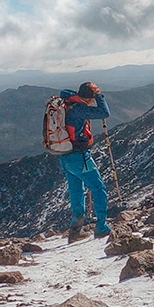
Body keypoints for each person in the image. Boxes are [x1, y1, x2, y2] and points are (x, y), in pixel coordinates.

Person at [58, 81, 111, 242]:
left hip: (65, 155)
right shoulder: (79, 110)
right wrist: (99, 96)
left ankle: (75, 231)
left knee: (76, 191)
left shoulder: (68, 103)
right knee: (98, 187)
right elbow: (104, 113)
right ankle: (101, 226)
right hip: (80, 157)